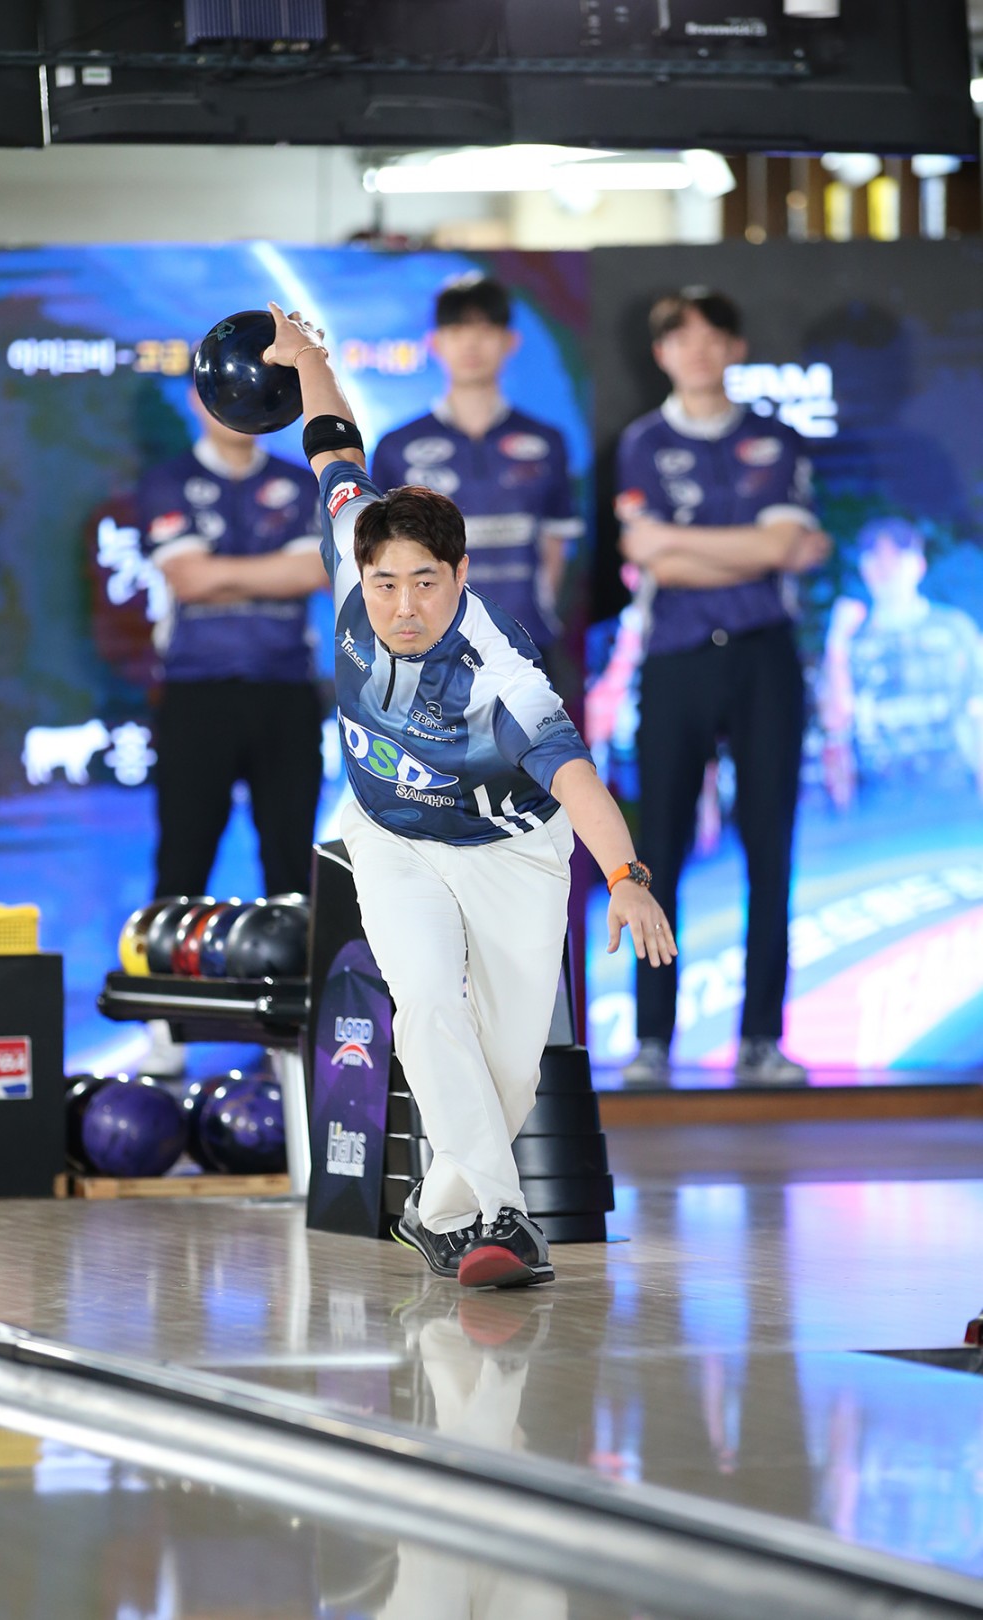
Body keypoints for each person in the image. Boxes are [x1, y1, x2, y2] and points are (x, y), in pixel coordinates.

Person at [263, 301, 675, 1290]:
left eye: (426, 583)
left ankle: (435, 1209)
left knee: (506, 1063)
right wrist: (308, 357)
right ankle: (501, 1218)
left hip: (511, 851)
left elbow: (575, 777)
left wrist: (625, 877)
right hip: (391, 837)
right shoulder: (354, 542)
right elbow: (333, 445)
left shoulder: (503, 675)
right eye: (385, 584)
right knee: (425, 1004)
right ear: (359, 568)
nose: (402, 605)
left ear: (460, 575)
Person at [615, 289, 831, 1087]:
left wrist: (683, 544)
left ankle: (761, 1039)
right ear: (662, 353)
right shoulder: (641, 442)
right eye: (682, 339)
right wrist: (754, 549)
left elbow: (784, 548)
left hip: (764, 656)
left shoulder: (776, 437)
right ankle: (651, 1039)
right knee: (658, 851)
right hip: (676, 656)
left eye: (714, 337)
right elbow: (654, 561)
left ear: (736, 348)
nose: (699, 351)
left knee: (770, 846)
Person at [136, 379, 328, 1075]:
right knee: (182, 861)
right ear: (198, 401)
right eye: (221, 394)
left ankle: (293, 1033)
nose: (238, 410)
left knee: (291, 867)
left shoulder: (300, 481)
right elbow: (189, 580)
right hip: (197, 694)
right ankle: (163, 1024)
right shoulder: (167, 481)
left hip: (286, 691)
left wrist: (226, 571)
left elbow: (317, 571)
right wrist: (274, 570)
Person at [371, 274, 582, 658]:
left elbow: (555, 543)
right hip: (431, 649)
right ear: (435, 343)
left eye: (485, 329)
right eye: (457, 329)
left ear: (510, 341)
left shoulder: (546, 442)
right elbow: (378, 557)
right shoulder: (395, 447)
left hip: (524, 645)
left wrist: (537, 611)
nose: (471, 343)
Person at [819, 517, 983, 808]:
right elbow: (835, 724)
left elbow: (978, 713)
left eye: (897, 555)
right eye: (875, 557)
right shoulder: (852, 640)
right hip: (880, 802)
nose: (887, 566)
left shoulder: (954, 628)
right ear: (864, 568)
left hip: (957, 792)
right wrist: (837, 642)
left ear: (919, 564)